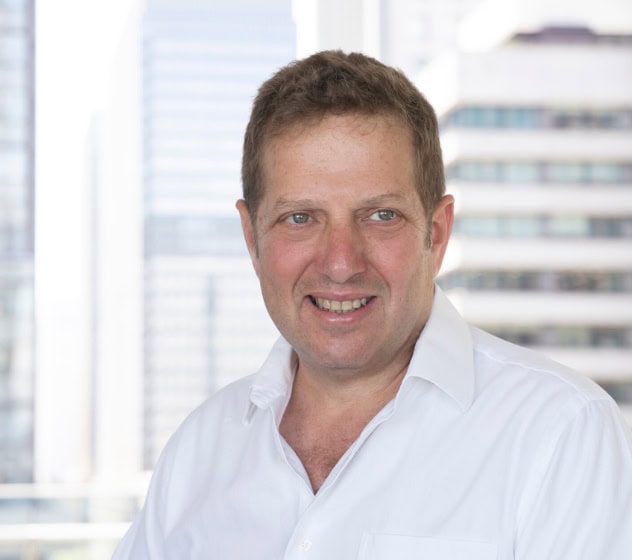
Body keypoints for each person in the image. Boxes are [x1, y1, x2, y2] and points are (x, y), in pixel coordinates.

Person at [112, 50, 632, 559]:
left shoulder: (561, 433)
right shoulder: (198, 453)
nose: (341, 263)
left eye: (381, 216)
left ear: (436, 232)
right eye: (300, 218)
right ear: (252, 239)